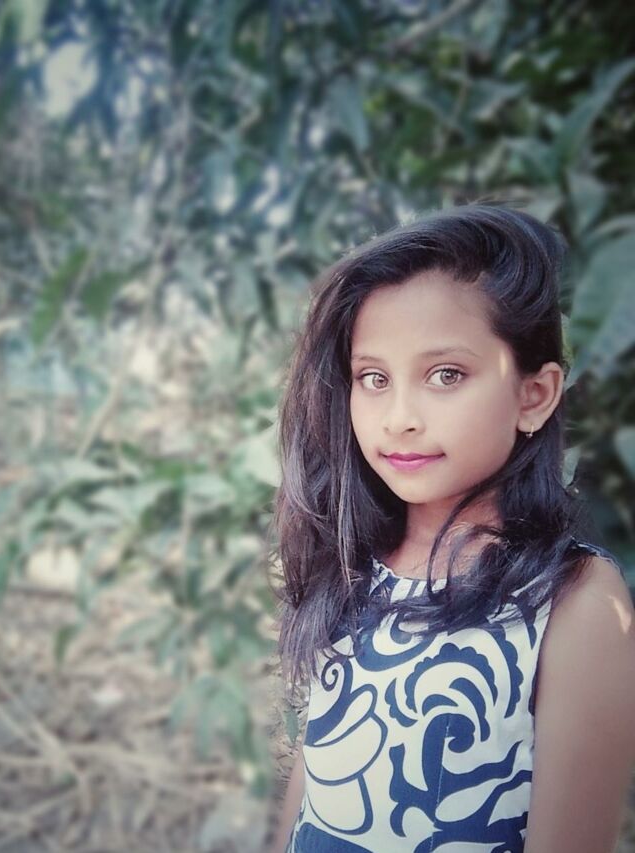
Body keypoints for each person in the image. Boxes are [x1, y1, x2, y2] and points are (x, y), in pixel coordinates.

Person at [267, 202, 635, 853]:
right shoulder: (358, 559)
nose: (399, 417)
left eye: (446, 375)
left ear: (534, 396)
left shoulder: (574, 599)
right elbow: (318, 774)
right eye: (373, 377)